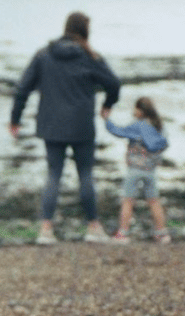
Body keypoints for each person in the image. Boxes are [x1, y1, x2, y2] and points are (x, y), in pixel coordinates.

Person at [9, 11, 121, 245]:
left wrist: (15, 119)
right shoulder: (90, 56)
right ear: (84, 31)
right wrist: (107, 105)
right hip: (82, 126)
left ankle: (46, 230)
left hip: (51, 126)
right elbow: (114, 83)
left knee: (53, 175)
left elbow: (22, 89)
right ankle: (93, 227)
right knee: (86, 175)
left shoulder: (44, 55)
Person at [102, 97, 170, 244]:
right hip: (151, 170)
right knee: (154, 201)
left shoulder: (138, 126)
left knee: (128, 200)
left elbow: (117, 131)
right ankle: (161, 232)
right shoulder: (159, 126)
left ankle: (123, 233)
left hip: (135, 169)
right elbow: (164, 144)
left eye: (136, 108)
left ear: (141, 111)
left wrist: (107, 119)